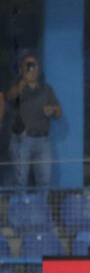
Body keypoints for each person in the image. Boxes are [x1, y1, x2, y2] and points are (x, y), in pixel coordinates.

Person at [6, 55, 62, 190]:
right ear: (22, 68)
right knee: (20, 182)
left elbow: (59, 112)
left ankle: (42, 204)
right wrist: (24, 80)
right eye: (28, 65)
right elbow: (9, 96)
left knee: (44, 181)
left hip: (43, 141)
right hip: (22, 140)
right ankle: (20, 203)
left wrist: (53, 110)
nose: (32, 69)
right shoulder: (17, 86)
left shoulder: (46, 89)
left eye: (34, 65)